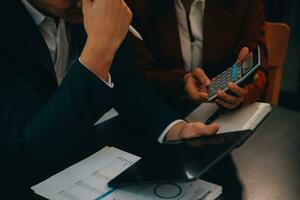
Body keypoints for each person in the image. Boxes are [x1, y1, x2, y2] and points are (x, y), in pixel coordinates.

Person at [0, 0, 219, 198]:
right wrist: (100, 48)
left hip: (76, 167)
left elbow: (124, 80)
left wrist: (173, 128)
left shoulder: (78, 8)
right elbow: (29, 149)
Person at [127, 0, 268, 113]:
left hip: (223, 115)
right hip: (160, 111)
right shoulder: (137, 5)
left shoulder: (243, 3)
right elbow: (136, 73)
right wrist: (181, 81)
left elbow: (259, 70)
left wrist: (244, 93)